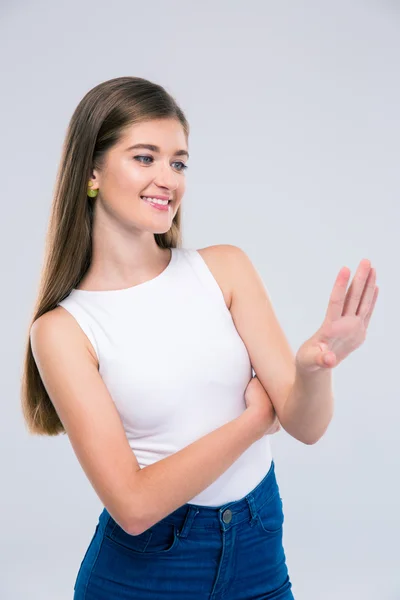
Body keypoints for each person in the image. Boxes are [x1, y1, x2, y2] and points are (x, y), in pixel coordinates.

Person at [22, 76, 295, 599]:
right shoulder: (62, 330)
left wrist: (320, 362)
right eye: (145, 158)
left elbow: (307, 421)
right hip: (146, 574)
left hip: (259, 545)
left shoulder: (225, 269)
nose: (167, 177)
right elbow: (134, 505)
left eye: (178, 161)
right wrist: (256, 420)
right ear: (92, 173)